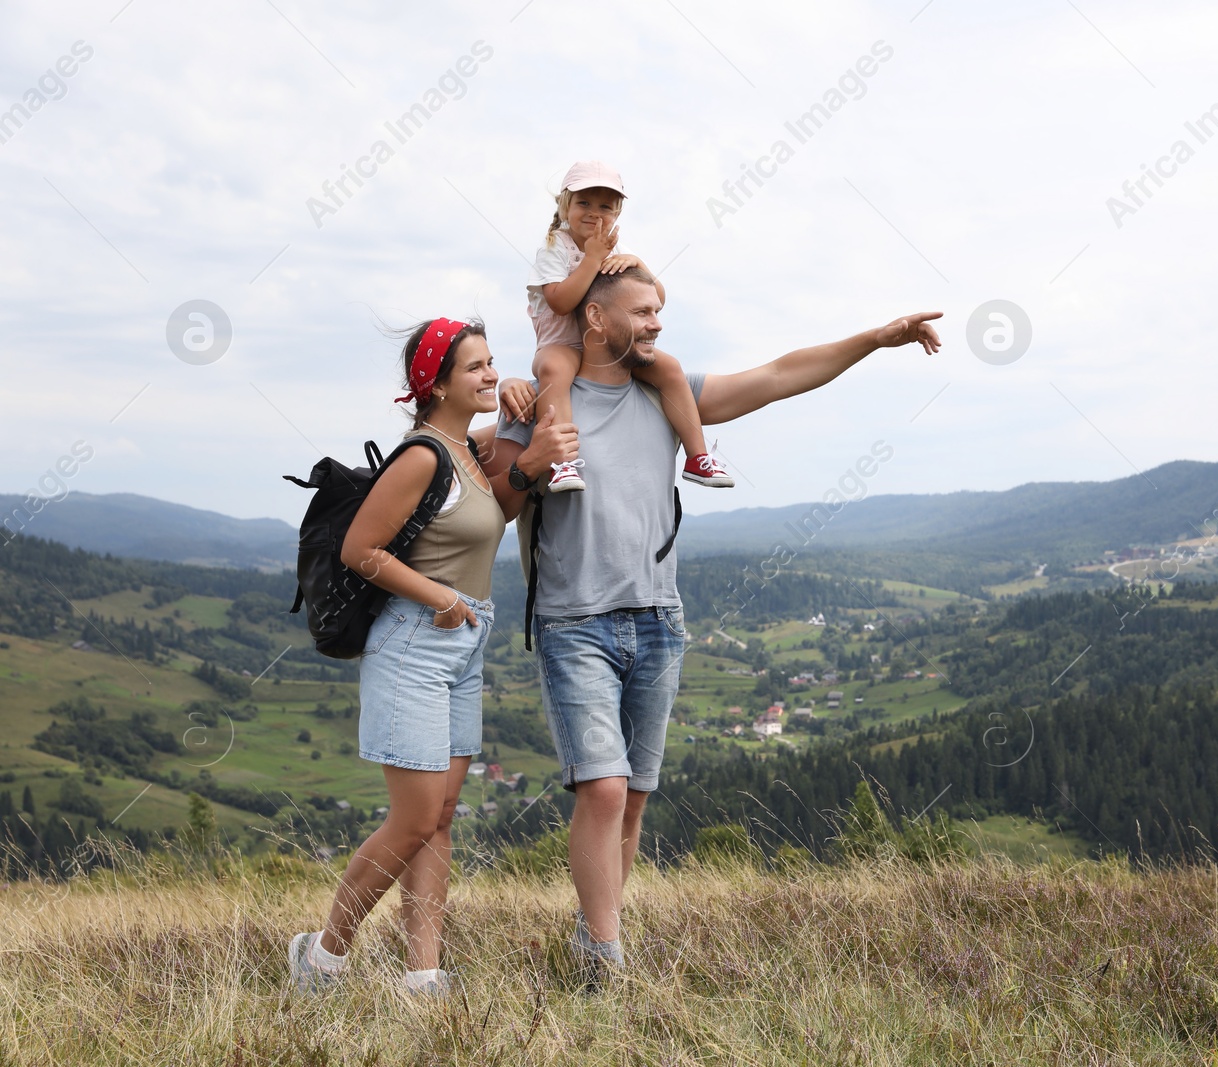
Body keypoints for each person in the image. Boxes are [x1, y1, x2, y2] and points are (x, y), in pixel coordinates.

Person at [488, 266, 940, 984]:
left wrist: (874, 340)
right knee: (601, 789)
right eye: (644, 311)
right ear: (597, 318)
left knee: (631, 798)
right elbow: (493, 506)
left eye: (661, 310)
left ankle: (594, 933)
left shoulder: (668, 392)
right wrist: (528, 466)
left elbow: (781, 374)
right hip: (574, 621)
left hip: (659, 619)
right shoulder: (542, 401)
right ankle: (607, 963)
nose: (658, 323)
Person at [288, 318, 576, 996]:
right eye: (474, 366)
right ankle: (322, 957)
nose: (487, 374)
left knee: (441, 816)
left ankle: (423, 974)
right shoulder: (422, 455)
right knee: (414, 817)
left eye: (490, 362)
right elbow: (362, 549)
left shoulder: (467, 449)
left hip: (463, 641)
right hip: (417, 640)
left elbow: (496, 509)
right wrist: (440, 599)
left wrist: (518, 412)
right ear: (436, 382)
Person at [525, 160, 731, 493]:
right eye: (584, 203)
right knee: (553, 370)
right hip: (561, 343)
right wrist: (592, 259)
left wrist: (640, 265)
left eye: (606, 206)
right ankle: (562, 461)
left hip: (609, 348)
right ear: (566, 205)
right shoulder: (554, 248)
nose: (595, 213)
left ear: (618, 213)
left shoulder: (619, 250)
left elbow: (657, 298)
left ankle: (697, 457)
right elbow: (561, 303)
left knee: (670, 368)